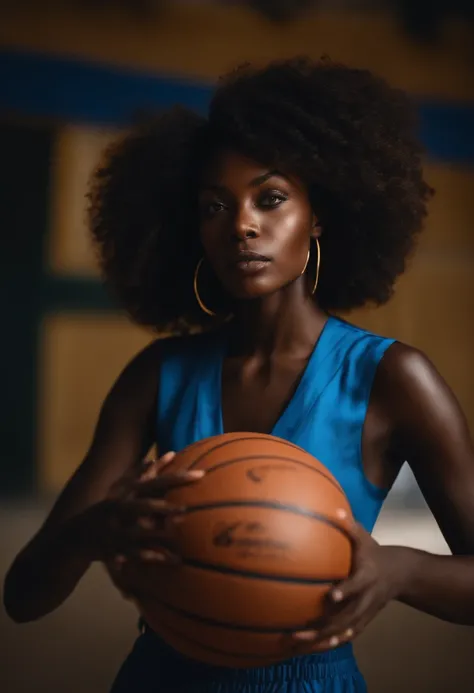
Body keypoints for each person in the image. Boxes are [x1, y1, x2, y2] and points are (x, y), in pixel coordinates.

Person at [4, 57, 474, 693]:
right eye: (214, 206)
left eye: (270, 198)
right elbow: (24, 596)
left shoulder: (393, 377)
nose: (242, 224)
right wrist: (94, 530)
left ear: (320, 215)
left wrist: (401, 571)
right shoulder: (157, 374)